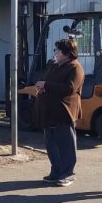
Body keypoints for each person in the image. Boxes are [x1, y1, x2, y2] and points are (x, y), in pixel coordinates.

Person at [33, 39, 85, 187]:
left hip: (64, 111)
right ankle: (56, 171)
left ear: (67, 53)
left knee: (65, 144)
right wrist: (42, 86)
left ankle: (67, 173)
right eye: (55, 50)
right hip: (49, 112)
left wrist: (47, 85)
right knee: (51, 144)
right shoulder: (55, 66)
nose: (55, 52)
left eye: (58, 50)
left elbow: (70, 88)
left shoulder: (75, 68)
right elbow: (46, 81)